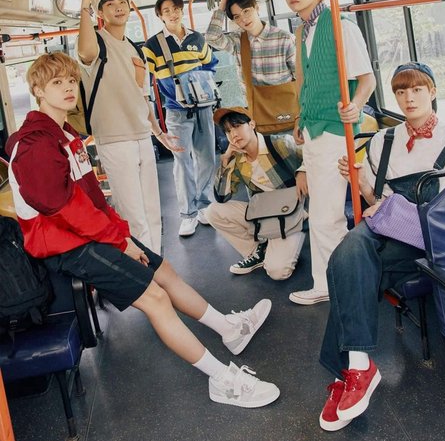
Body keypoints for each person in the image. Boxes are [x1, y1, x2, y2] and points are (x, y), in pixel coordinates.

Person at [7, 52, 280, 409]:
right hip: (67, 246)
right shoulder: (34, 143)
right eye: (57, 83)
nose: (68, 88)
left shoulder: (66, 135)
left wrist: (121, 234)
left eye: (71, 80)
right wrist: (118, 241)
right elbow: (62, 208)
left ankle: (230, 330)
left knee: (164, 271)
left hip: (89, 232)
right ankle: (221, 380)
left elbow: (92, 198)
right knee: (156, 298)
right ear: (38, 90)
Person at [318, 62, 445, 431]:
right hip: (383, 224)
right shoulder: (382, 141)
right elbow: (375, 200)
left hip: (427, 239)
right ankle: (359, 365)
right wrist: (361, 184)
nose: (409, 98)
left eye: (417, 89)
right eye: (401, 92)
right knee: (348, 251)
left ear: (433, 92)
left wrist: (400, 209)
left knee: (350, 269)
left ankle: (348, 371)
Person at [277, 0, 376, 305]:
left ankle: (336, 285)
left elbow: (367, 79)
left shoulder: (341, 26)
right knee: (320, 213)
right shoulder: (303, 30)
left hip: (335, 130)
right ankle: (330, 282)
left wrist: (357, 105)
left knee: (326, 215)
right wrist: (300, 117)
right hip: (314, 128)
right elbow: (306, 81)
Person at [76, 0, 180, 254]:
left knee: (152, 213)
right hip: (115, 140)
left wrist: (159, 133)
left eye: (122, 2)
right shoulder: (97, 42)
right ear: (100, 13)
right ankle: (143, 271)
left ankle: (156, 264)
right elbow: (85, 53)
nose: (118, 7)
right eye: (110, 4)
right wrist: (84, 9)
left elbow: (141, 97)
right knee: (133, 216)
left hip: (142, 137)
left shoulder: (135, 48)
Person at [143, 0, 218, 238]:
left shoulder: (197, 38)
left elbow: (210, 63)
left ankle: (204, 206)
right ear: (160, 16)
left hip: (203, 107)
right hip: (176, 111)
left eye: (176, 9)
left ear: (182, 10)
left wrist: (199, 84)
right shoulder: (152, 46)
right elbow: (145, 80)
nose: (172, 14)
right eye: (167, 11)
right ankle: (188, 214)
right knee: (182, 163)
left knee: (207, 158)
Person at [204, 107, 308, 279]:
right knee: (213, 212)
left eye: (237, 126)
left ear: (252, 124)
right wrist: (225, 161)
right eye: (228, 131)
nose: (233, 134)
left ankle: (278, 245)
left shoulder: (279, 143)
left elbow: (312, 154)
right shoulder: (237, 160)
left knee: (277, 272)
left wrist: (303, 170)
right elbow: (222, 197)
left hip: (292, 215)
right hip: (264, 214)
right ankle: (257, 251)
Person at [204, 0, 296, 99]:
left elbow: (301, 76)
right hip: (254, 104)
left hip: (284, 102)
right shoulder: (237, 41)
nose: (243, 19)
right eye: (237, 16)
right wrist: (222, 5)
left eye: (246, 11)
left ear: (257, 8)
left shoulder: (284, 38)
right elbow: (211, 37)